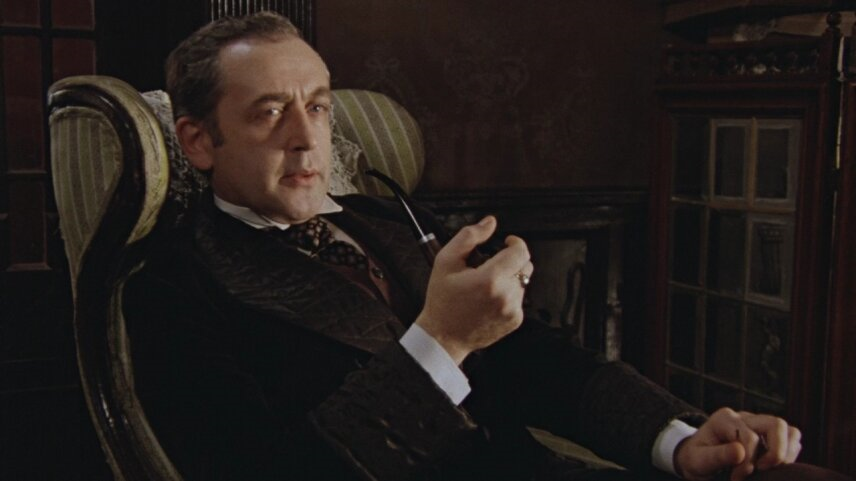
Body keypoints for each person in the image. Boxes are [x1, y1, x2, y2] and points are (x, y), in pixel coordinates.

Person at [124, 12, 850, 481]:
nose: (307, 137)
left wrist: (679, 438)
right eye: (269, 112)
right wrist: (441, 341)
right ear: (199, 141)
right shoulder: (172, 288)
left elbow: (535, 358)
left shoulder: (382, 219)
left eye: (317, 105)